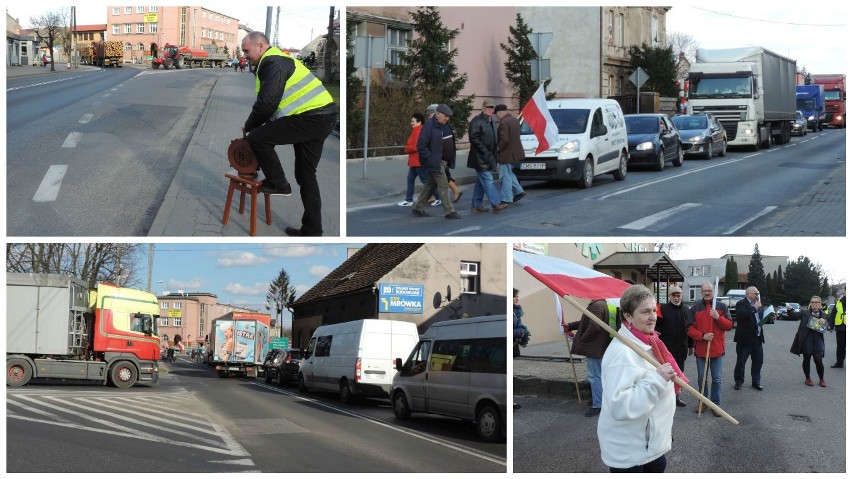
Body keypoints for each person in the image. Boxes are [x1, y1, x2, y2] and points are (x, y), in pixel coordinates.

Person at [240, 31, 337, 237]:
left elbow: (267, 103)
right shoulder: (277, 61)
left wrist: (249, 126)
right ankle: (312, 231)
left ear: (260, 46)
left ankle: (278, 183)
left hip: (310, 118)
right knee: (306, 175)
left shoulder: (273, 63)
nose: (245, 55)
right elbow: (276, 106)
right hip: (322, 117)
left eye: (246, 51)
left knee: (257, 138)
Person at [598, 284, 682, 473]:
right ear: (628, 315)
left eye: (654, 310)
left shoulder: (648, 341)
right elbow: (621, 405)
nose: (653, 317)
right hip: (631, 452)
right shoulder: (622, 354)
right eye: (645, 312)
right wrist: (657, 380)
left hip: (648, 445)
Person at [687, 283, 733, 415]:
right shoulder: (695, 308)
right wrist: (702, 336)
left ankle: (716, 404)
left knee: (717, 379)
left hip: (717, 350)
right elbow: (689, 328)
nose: (707, 293)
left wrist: (718, 317)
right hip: (702, 350)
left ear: (714, 292)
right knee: (702, 379)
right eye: (704, 291)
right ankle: (703, 402)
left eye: (709, 290)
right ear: (701, 293)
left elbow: (729, 325)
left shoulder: (722, 307)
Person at [411, 104, 460, 219]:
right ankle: (449, 211)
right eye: (446, 116)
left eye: (449, 117)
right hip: (436, 162)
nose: (447, 119)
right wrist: (431, 159)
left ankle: (417, 208)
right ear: (437, 114)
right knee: (443, 185)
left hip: (444, 161)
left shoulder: (446, 125)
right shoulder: (429, 125)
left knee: (430, 186)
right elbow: (421, 146)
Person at [565, 299, 612, 417]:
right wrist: (570, 326)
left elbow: (594, 326)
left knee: (595, 377)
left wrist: (581, 339)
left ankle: (598, 404)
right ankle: (600, 399)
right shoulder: (605, 303)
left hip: (595, 348)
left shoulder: (596, 305)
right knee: (601, 376)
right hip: (602, 347)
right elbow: (586, 322)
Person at [468, 99, 507, 214]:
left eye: (492, 108)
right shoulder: (477, 121)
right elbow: (473, 138)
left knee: (481, 182)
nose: (490, 110)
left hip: (488, 156)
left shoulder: (491, 121)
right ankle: (496, 204)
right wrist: (484, 150)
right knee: (488, 180)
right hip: (479, 157)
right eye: (488, 107)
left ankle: (476, 205)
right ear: (483, 108)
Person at [656, 286, 693, 407]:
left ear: (682, 296)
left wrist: (691, 345)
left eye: (679, 295)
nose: (676, 298)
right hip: (666, 348)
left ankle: (676, 397)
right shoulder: (663, 309)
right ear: (669, 296)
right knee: (666, 373)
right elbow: (657, 328)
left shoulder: (687, 310)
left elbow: (690, 329)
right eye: (674, 295)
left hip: (682, 347)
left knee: (679, 373)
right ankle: (665, 399)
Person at [734, 286, 766, 391]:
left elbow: (760, 319)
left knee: (758, 361)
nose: (757, 295)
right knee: (741, 362)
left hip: (757, 339)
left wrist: (769, 317)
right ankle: (738, 381)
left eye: (757, 293)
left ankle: (756, 382)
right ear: (747, 294)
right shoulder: (741, 304)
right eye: (755, 293)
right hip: (744, 340)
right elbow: (741, 315)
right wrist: (754, 308)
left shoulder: (758, 304)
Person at [494, 104, 526, 206]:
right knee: (509, 173)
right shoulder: (514, 120)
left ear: (499, 112)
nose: (497, 116)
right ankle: (519, 191)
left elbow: (504, 139)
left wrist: (498, 148)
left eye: (496, 114)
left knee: (505, 176)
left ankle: (506, 198)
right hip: (515, 153)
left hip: (507, 154)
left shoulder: (503, 122)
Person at [795, 296, 828, 387]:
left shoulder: (823, 314)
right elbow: (795, 315)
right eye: (813, 302)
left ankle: (821, 379)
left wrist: (824, 321)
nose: (814, 304)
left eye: (817, 302)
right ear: (810, 303)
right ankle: (807, 378)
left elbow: (827, 325)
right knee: (807, 358)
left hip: (817, 340)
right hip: (807, 339)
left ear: (820, 304)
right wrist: (790, 310)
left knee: (818, 360)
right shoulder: (805, 312)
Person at [398, 112, 428, 207]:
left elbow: (416, 146)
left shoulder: (418, 131)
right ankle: (409, 200)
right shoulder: (416, 130)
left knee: (425, 180)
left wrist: (407, 148)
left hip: (418, 160)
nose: (411, 123)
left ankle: (439, 197)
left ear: (419, 122)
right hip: (415, 161)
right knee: (411, 179)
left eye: (413, 121)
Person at [828, 289, 846, 368]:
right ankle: (839, 363)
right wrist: (831, 326)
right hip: (840, 328)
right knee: (840, 347)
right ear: (844, 292)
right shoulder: (838, 302)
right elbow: (833, 315)